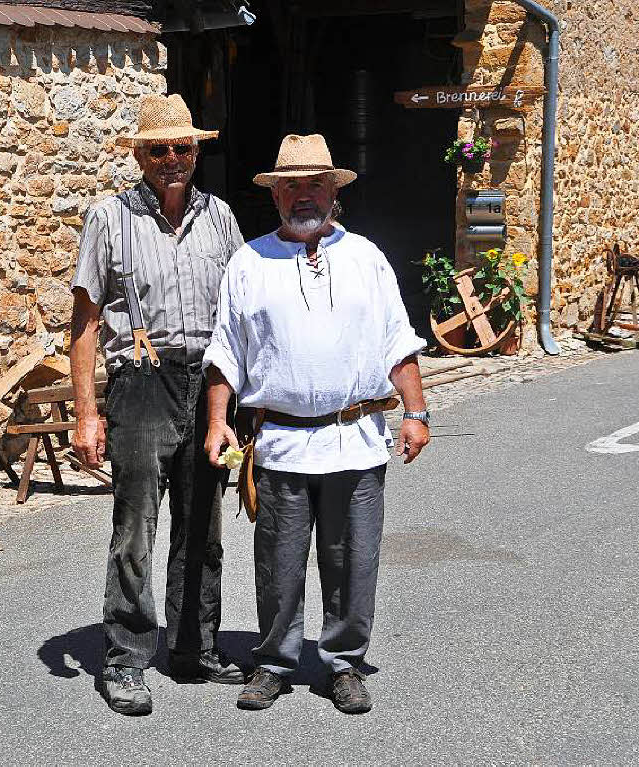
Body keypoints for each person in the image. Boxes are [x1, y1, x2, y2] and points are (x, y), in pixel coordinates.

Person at [202, 134, 431, 714]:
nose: (304, 195)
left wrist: (416, 411)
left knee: (353, 559)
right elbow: (225, 353)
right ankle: (275, 661)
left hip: (354, 440)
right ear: (276, 195)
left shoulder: (366, 258)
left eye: (315, 184)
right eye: (292, 186)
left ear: (334, 191)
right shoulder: (249, 261)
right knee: (277, 561)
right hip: (280, 442)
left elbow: (397, 342)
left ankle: (344, 663)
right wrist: (217, 423)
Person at [69, 93, 246, 716]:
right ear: (141, 155)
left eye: (184, 147)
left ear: (197, 152)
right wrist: (88, 412)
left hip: (208, 382)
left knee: (204, 523)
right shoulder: (109, 219)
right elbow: (85, 322)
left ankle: (194, 647)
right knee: (136, 527)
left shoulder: (220, 217)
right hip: (141, 378)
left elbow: (244, 309)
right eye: (160, 148)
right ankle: (125, 657)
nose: (174, 158)